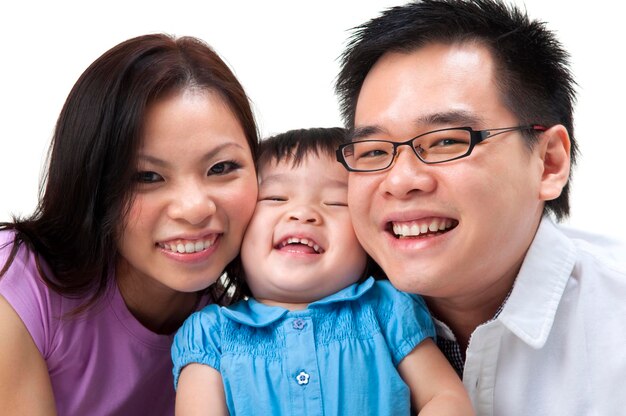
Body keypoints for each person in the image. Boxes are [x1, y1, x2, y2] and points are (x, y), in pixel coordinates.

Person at [334, 0, 626, 414]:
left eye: (447, 141)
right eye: (374, 150)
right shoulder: (303, 310)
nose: (399, 181)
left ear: (549, 163)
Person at [0, 34, 259, 415]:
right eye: (147, 177)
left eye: (221, 168)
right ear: (90, 184)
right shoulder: (20, 286)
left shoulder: (242, 320)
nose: (194, 209)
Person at [172, 127, 474, 415]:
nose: (303, 213)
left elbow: (446, 398)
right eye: (275, 198)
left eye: (336, 202)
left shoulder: (387, 310)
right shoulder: (211, 335)